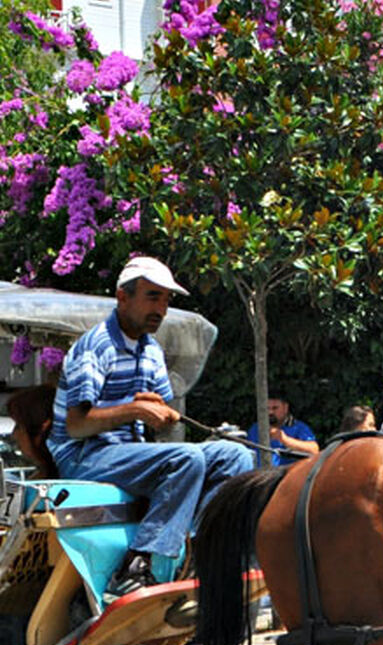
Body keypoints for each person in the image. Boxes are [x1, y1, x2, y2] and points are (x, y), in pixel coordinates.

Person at [49, 256, 256, 599]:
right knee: (188, 460)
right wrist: (134, 410)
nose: (160, 308)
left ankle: (199, 551)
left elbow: (158, 426)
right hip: (86, 455)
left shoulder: (151, 351)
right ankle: (136, 565)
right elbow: (76, 426)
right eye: (152, 297)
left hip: (128, 453)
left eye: (165, 300)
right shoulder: (96, 345)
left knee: (236, 456)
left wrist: (160, 415)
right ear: (123, 297)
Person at [246, 392, 318, 465]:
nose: (270, 412)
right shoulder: (256, 428)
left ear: (285, 408)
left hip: (288, 474)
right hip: (259, 474)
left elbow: (314, 450)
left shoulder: (298, 427)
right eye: (267, 408)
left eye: (275, 408)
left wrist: (284, 439)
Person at [6, 385, 60, 478]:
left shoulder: (72, 476)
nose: (14, 434)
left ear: (42, 430)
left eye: (18, 426)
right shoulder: (41, 477)